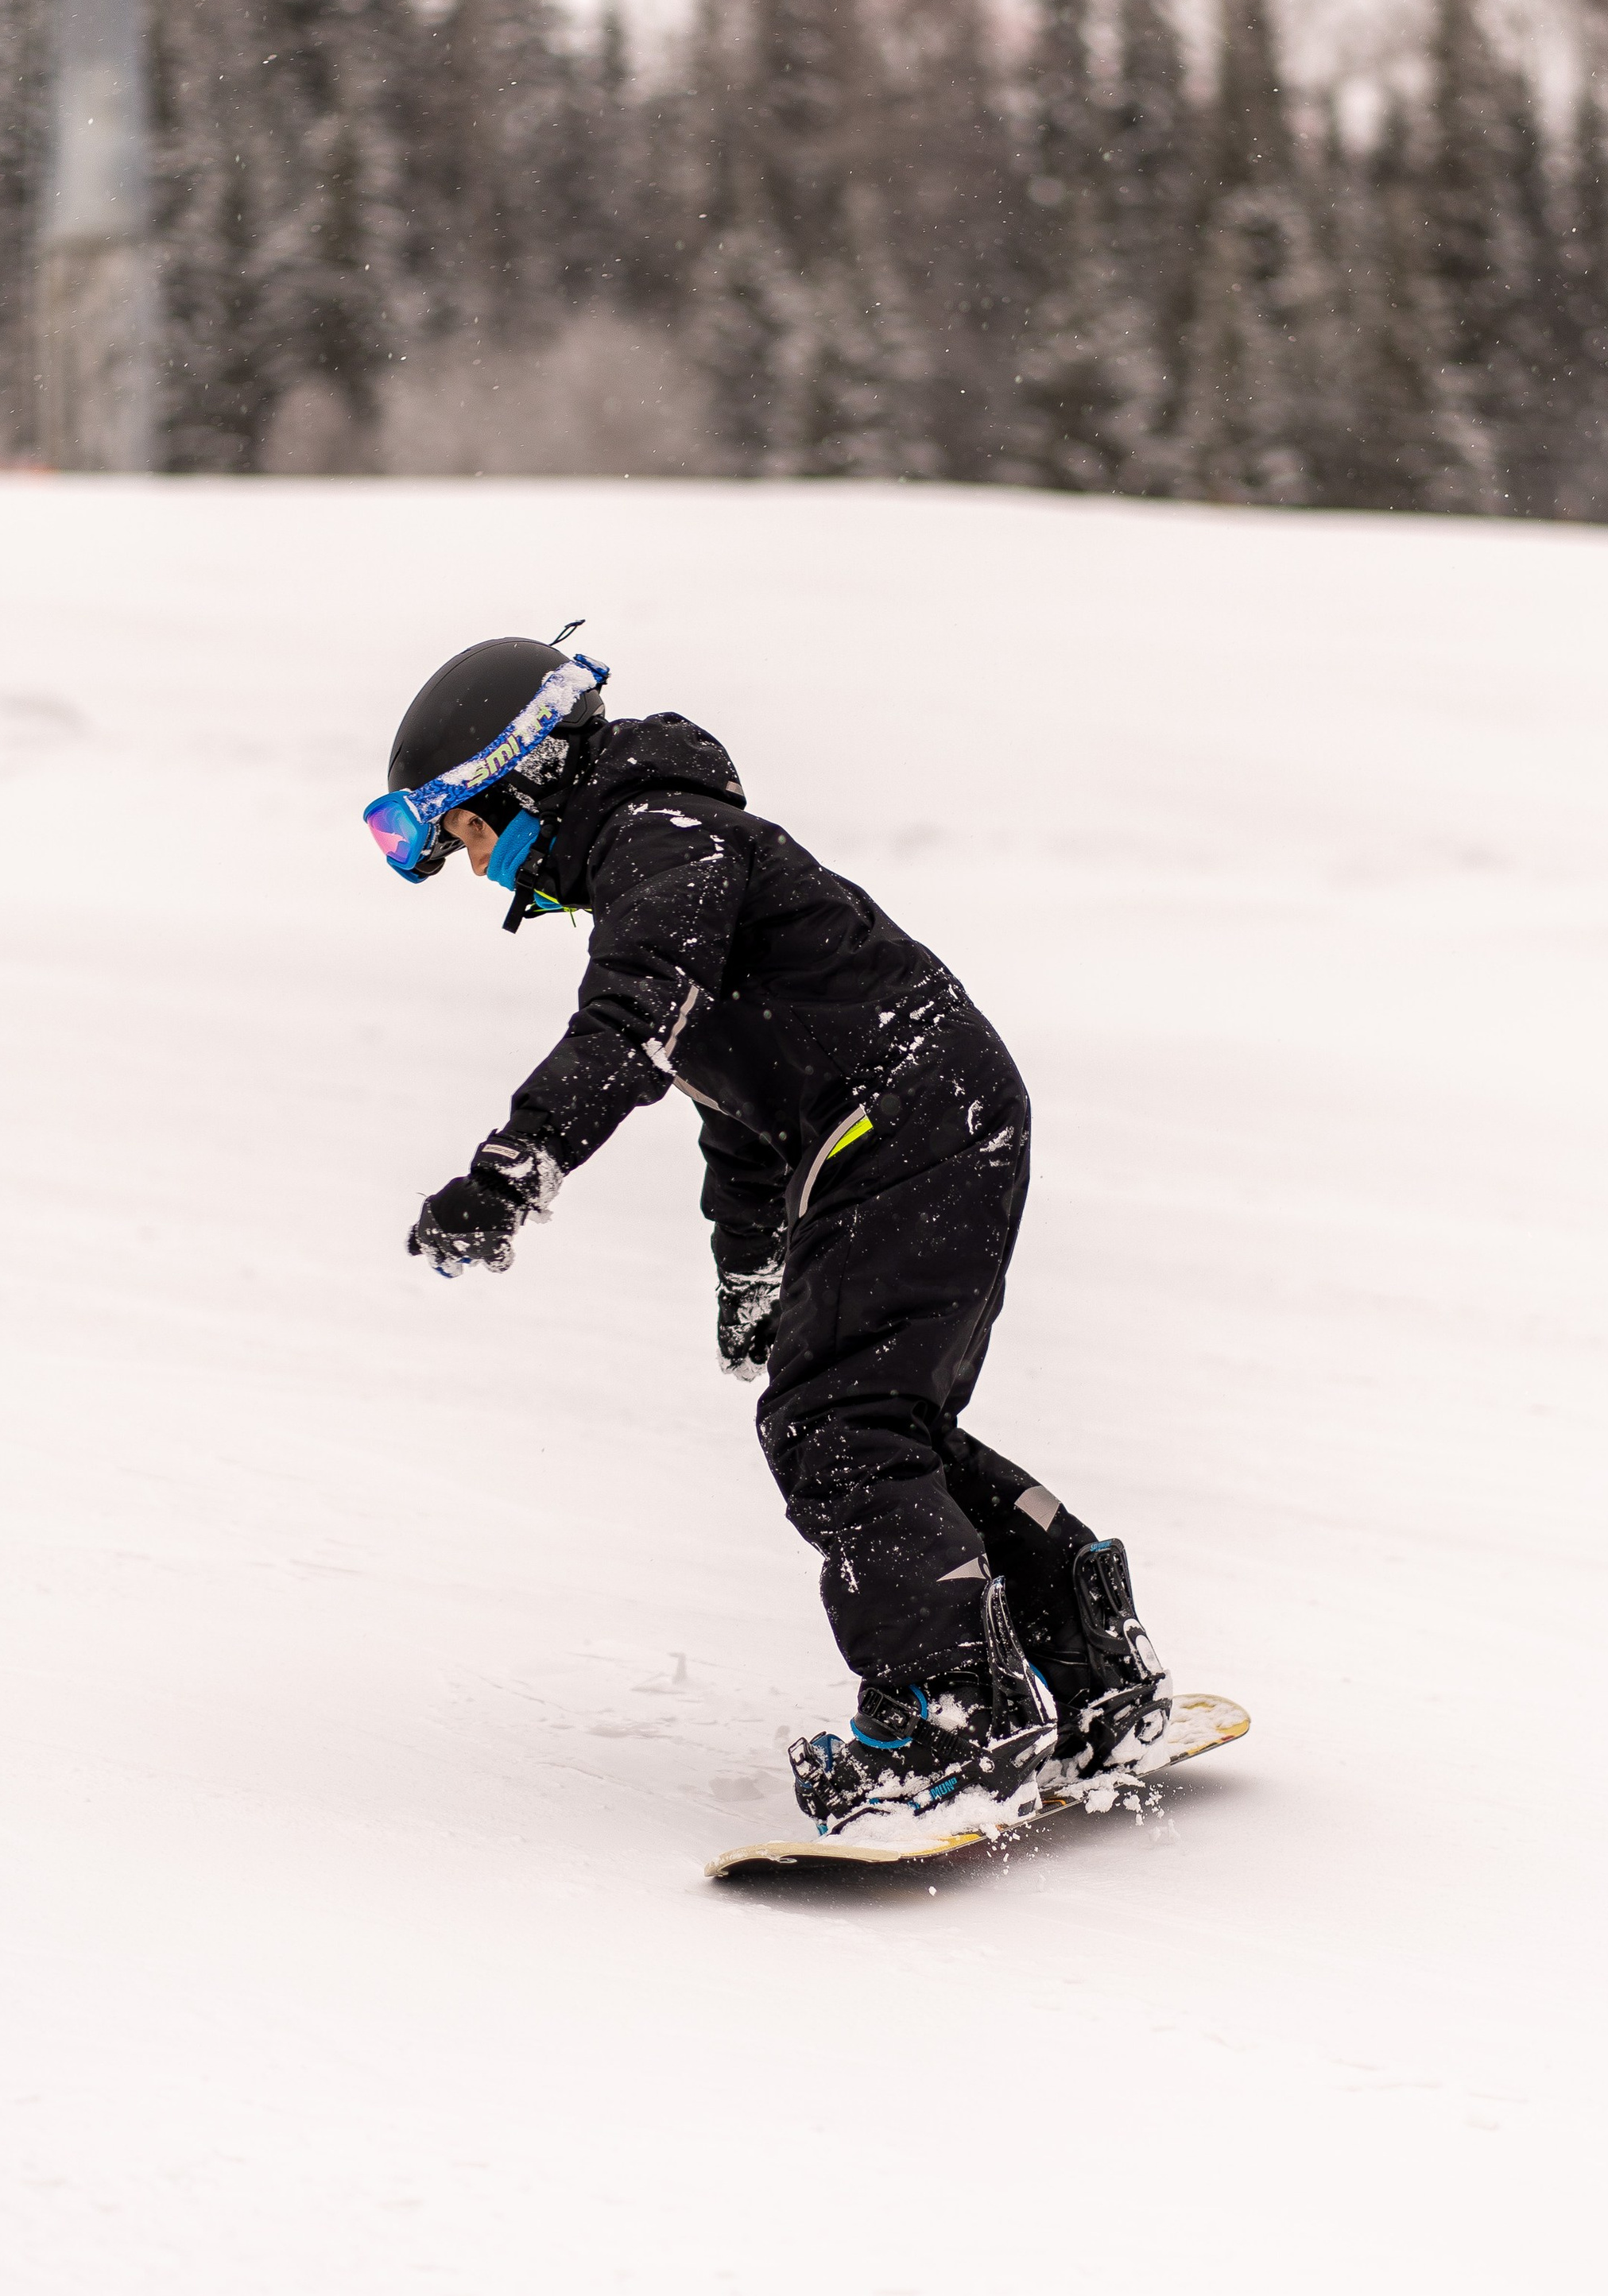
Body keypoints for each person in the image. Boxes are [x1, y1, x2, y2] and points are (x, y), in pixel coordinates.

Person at [364, 633, 1170, 1832]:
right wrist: (751, 1275)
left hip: (906, 1115)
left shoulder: (663, 844)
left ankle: (955, 1710)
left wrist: (513, 1167)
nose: (477, 872)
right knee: (872, 1419)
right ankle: (1084, 1661)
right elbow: (741, 1119)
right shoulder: (661, 853)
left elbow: (633, 1024)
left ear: (523, 780)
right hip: (928, 1109)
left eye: (470, 836)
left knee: (835, 1428)